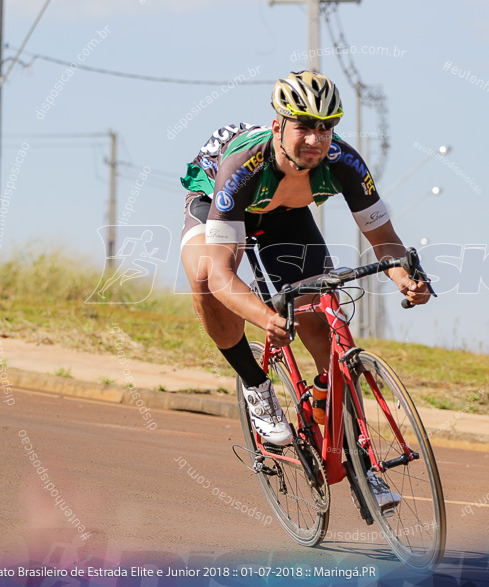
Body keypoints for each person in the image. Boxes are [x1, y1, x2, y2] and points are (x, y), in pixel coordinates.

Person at [179, 71, 430, 510]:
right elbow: (222, 274)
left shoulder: (345, 163)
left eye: (326, 127)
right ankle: (256, 387)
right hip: (224, 203)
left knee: (319, 313)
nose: (316, 139)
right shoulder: (244, 166)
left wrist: (404, 276)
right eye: (304, 126)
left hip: (285, 217)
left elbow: (385, 240)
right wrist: (265, 318)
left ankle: (350, 448)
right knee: (203, 278)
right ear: (278, 125)